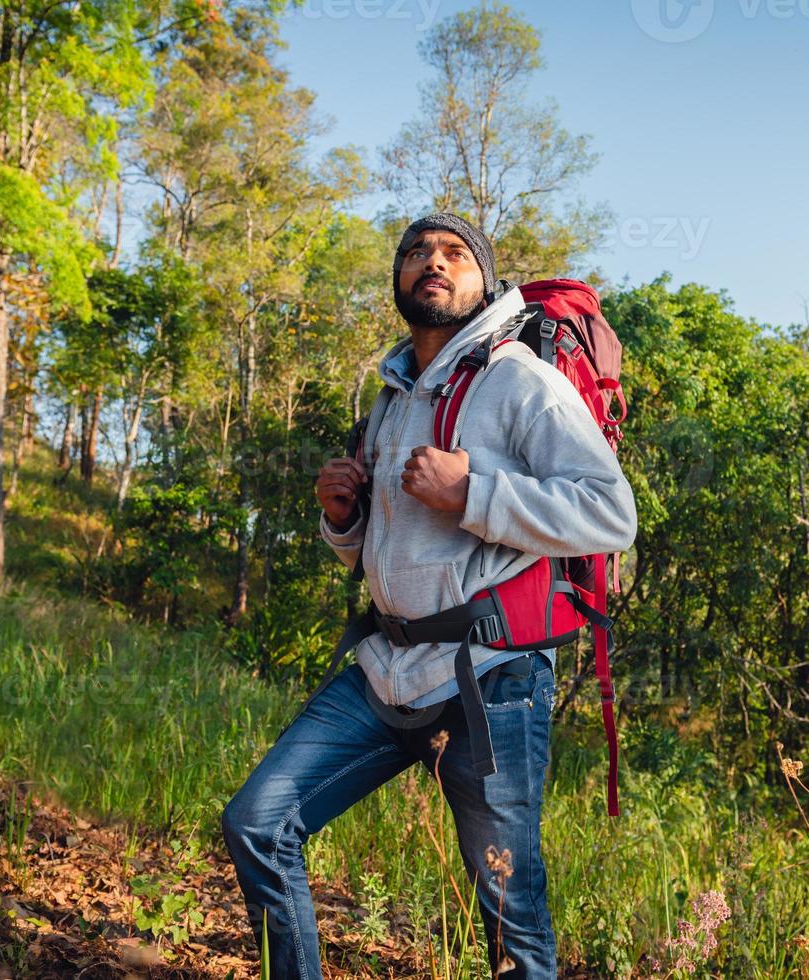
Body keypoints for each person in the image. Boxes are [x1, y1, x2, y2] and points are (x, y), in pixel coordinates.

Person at [221, 212, 637, 979]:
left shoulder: (521, 380)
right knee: (257, 820)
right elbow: (384, 544)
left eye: (452, 254)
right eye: (415, 253)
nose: (431, 264)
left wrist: (472, 490)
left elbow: (609, 515)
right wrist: (340, 518)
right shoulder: (391, 395)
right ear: (398, 281)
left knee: (510, 907)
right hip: (386, 667)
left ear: (485, 283)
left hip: (491, 676)